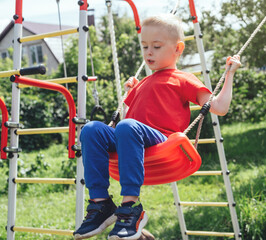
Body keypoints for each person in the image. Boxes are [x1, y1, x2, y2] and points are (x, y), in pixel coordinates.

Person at [73, 14, 241, 240]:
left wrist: (229, 74)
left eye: (156, 46)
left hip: (163, 142)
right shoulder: (142, 83)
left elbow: (219, 107)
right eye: (144, 46)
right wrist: (132, 89)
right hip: (130, 138)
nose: (148, 52)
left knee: (127, 126)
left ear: (177, 49)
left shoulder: (183, 78)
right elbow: (127, 116)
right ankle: (100, 203)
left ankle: (131, 207)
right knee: (91, 129)